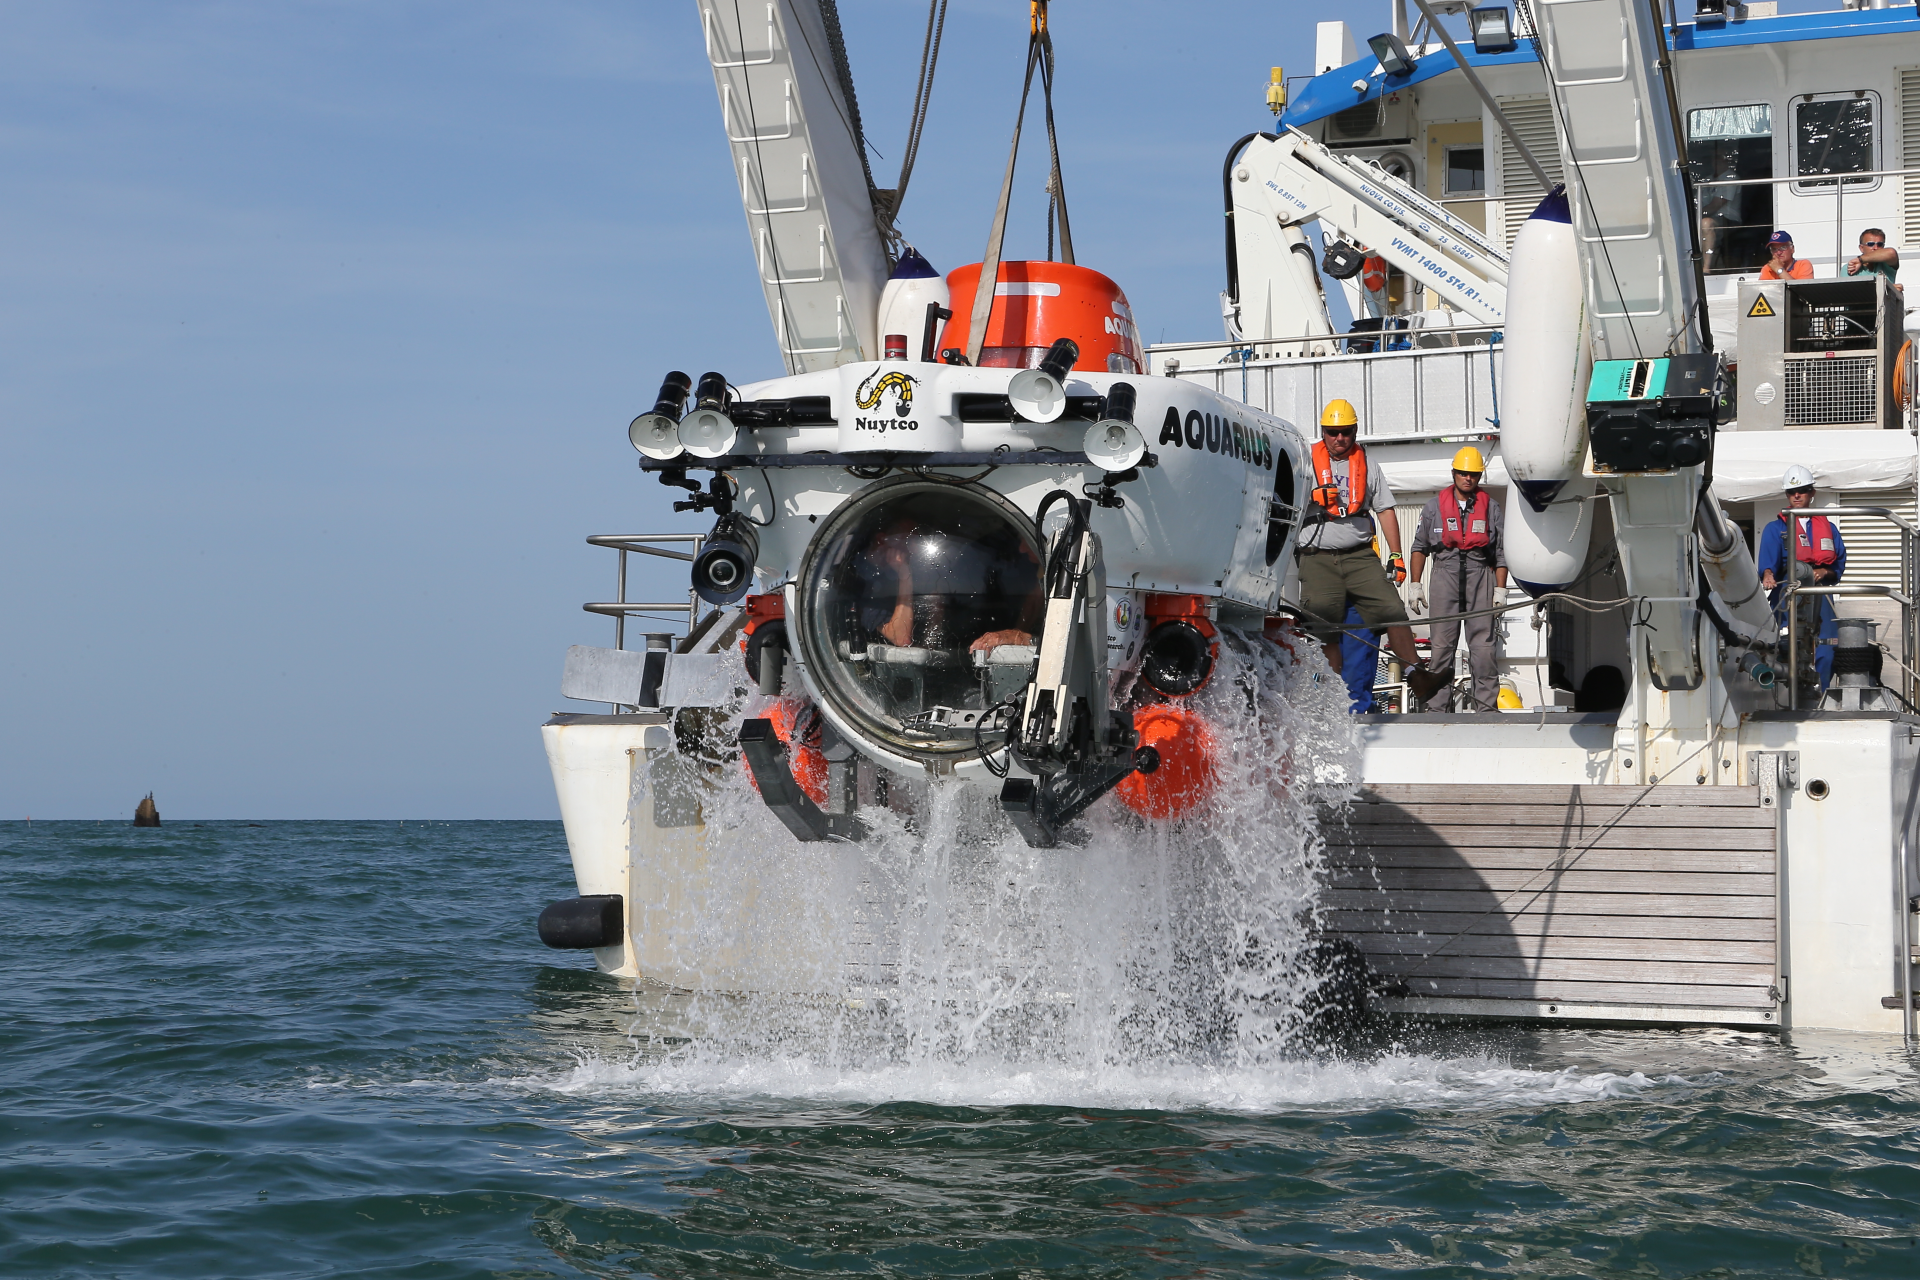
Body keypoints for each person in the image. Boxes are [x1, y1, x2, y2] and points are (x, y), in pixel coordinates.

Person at [1295, 399, 1449, 702]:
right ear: (1323, 432)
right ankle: (1330, 700)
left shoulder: (1367, 464)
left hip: (1360, 554)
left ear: (1355, 431)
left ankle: (1418, 677)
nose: (1340, 438)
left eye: (1346, 432)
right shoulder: (1304, 462)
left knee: (1393, 610)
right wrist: (1312, 496)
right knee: (1324, 628)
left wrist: (1396, 554)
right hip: (1317, 557)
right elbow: (1281, 500)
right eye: (1333, 432)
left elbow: (1386, 509)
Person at [1407, 447, 1509, 711]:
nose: (1468, 478)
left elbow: (1500, 554)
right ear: (1454, 473)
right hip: (1444, 574)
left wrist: (1500, 590)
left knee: (1484, 651)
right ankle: (1436, 710)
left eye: (1473, 474)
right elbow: (1419, 547)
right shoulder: (1433, 507)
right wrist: (1415, 585)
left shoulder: (1492, 508)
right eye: (1463, 473)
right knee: (1441, 649)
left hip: (1480, 576)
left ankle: (1486, 711)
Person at [1757, 465, 1845, 692]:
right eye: (1791, 491)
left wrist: (1823, 573)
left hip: (1821, 595)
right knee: (1786, 646)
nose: (1797, 495)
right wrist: (1768, 575)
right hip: (1788, 594)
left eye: (1803, 490)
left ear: (1812, 493)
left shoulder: (1830, 529)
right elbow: (1768, 566)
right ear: (1787, 495)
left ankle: (1821, 693)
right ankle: (1787, 697)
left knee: (1826, 648)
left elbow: (1838, 566)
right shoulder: (1775, 528)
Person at [1846, 226, 1901, 292]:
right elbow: (1847, 292)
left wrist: (1860, 260)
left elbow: (1891, 253)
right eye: (1870, 244)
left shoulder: (1886, 265)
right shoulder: (1850, 267)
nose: (1875, 247)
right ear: (1861, 248)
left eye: (1880, 244)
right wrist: (1887, 288)